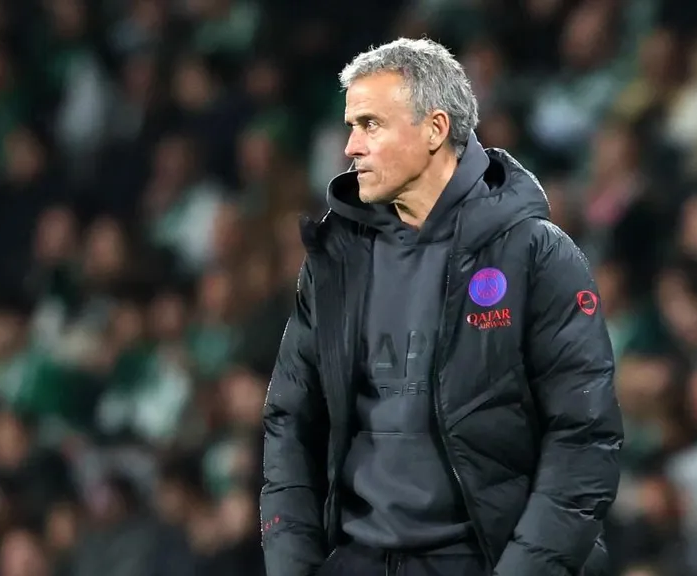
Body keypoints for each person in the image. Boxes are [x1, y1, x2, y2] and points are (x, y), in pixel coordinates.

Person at [259, 38, 624, 576]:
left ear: (434, 129)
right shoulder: (336, 261)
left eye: (370, 125)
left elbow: (583, 438)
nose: (351, 146)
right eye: (351, 125)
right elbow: (291, 423)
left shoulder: (535, 254)